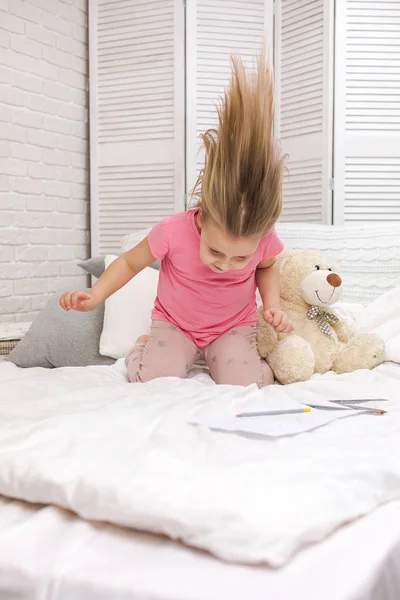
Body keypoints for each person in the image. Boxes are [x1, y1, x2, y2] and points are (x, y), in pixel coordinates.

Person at [60, 53, 293, 388]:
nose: (225, 265)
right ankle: (141, 348)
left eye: (241, 258)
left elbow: (268, 266)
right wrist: (96, 295)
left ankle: (233, 358)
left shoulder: (265, 236)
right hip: (175, 325)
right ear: (203, 216)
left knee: (248, 386)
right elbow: (128, 263)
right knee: (153, 380)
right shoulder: (173, 231)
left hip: (233, 326)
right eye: (215, 251)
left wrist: (272, 306)